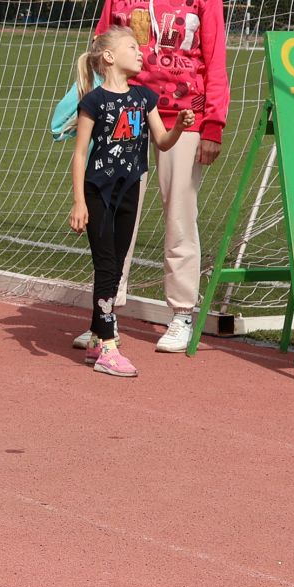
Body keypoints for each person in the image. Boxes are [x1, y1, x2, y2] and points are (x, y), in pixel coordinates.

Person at [90, 0, 230, 355]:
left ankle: (182, 314)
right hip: (124, 115)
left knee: (178, 215)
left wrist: (212, 124)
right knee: (114, 215)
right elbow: (100, 50)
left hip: (183, 116)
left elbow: (216, 64)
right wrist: (92, 105)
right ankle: (107, 312)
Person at [68, 25, 194, 376]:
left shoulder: (144, 97)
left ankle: (96, 336)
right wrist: (79, 202)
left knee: (116, 265)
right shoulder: (93, 102)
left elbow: (163, 142)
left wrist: (180, 126)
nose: (140, 52)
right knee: (106, 266)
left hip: (130, 189)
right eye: (131, 47)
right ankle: (107, 345)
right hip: (98, 191)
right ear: (109, 57)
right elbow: (80, 155)